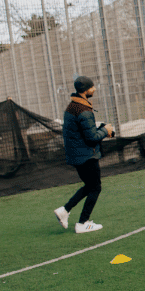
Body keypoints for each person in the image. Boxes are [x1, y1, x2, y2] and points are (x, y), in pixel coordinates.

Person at [54, 76, 114, 233]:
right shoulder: (84, 110)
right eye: (92, 87)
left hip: (77, 155)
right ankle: (82, 223)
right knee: (96, 187)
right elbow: (91, 137)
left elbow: (82, 130)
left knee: (90, 186)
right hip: (86, 156)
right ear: (86, 90)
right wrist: (106, 130)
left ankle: (65, 210)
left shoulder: (72, 107)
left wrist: (100, 127)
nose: (94, 89)